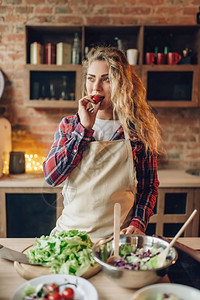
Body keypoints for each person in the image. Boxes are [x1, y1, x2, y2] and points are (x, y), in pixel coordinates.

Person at [43, 46, 161, 239]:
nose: (96, 87)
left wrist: (138, 223)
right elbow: (52, 176)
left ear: (122, 83)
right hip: (70, 237)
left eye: (106, 79)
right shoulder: (70, 125)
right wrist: (84, 129)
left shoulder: (137, 131)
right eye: (91, 78)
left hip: (117, 240)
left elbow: (149, 187)